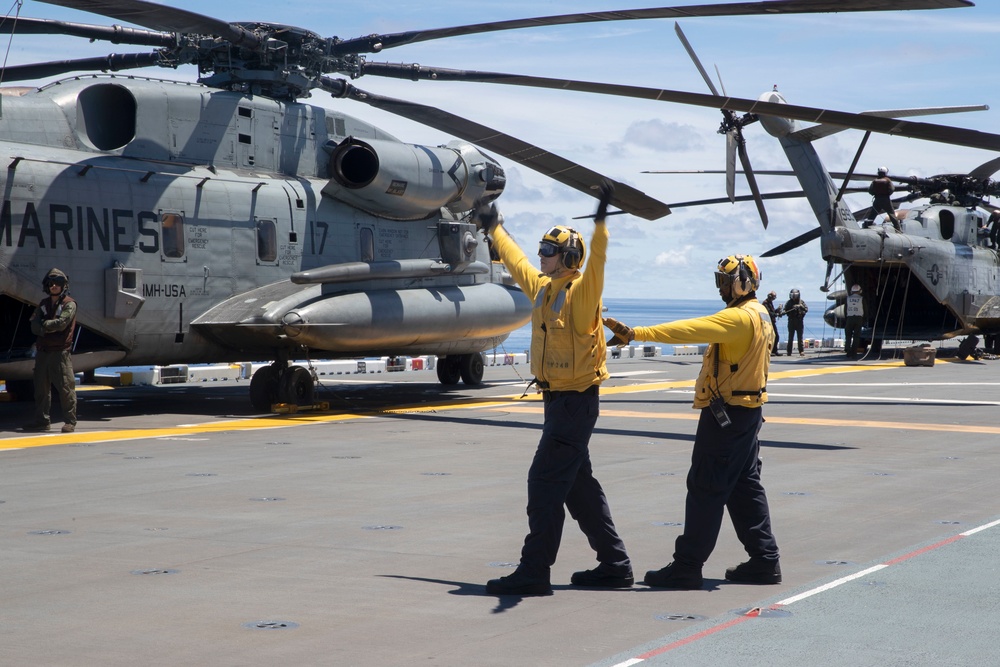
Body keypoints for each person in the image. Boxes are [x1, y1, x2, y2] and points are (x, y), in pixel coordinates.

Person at [481, 182, 632, 596]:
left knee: (543, 483)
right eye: (543, 250)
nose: (542, 257)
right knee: (579, 489)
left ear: (567, 258)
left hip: (574, 405)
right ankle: (615, 566)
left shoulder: (581, 295)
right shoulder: (546, 291)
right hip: (559, 404)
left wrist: (600, 223)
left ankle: (535, 571)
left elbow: (597, 263)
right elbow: (517, 264)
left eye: (549, 251)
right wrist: (495, 229)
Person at [603, 254, 780, 589]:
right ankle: (764, 561)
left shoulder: (739, 318)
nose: (720, 289)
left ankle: (687, 566)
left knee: (706, 487)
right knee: (744, 487)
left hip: (726, 418)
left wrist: (635, 332)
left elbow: (688, 328)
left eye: (724, 282)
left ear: (741, 282)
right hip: (747, 415)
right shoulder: (761, 314)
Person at [22, 268, 78, 433]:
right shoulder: (44, 304)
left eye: (57, 283)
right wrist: (48, 327)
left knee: (66, 388)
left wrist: (44, 325)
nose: (53, 286)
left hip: (60, 353)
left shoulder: (69, 304)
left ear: (63, 285)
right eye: (50, 283)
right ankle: (42, 421)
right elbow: (33, 326)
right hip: (43, 352)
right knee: (41, 389)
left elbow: (61, 324)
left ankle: (70, 421)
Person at [863, 167, 901, 231]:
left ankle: (867, 226)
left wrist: (874, 194)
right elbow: (892, 189)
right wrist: (887, 194)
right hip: (886, 199)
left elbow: (870, 190)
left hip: (877, 199)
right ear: (885, 173)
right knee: (891, 214)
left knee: (873, 214)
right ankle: (897, 228)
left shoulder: (875, 181)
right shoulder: (887, 180)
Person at [783, 289, 808, 357]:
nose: (794, 297)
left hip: (799, 321)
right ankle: (789, 352)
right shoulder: (789, 302)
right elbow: (785, 310)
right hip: (791, 321)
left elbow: (806, 309)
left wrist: (800, 306)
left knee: (800, 338)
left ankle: (801, 351)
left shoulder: (801, 302)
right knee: (790, 337)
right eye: (793, 295)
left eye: (795, 295)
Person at [844, 284, 864, 359]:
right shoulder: (862, 298)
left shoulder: (848, 299)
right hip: (859, 318)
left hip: (850, 318)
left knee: (848, 335)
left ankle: (847, 349)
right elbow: (865, 309)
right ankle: (854, 352)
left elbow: (845, 310)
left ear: (851, 291)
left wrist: (847, 318)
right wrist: (864, 319)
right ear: (860, 291)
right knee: (856, 336)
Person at [762, 291, 782, 356]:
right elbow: (769, 313)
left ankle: (774, 350)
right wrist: (775, 314)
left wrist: (778, 310)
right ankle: (771, 351)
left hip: (772, 322)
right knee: (771, 337)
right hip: (768, 322)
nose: (773, 299)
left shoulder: (770, 303)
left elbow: (772, 312)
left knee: (776, 336)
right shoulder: (765, 303)